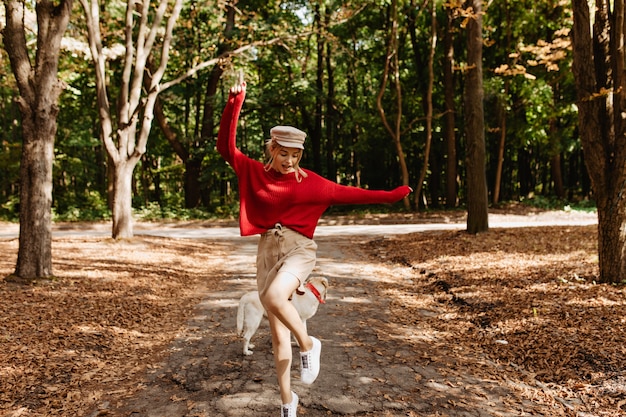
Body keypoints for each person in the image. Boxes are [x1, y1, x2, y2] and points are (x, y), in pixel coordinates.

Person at [217, 79, 411, 417]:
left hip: (299, 251)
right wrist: (235, 102)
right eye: (284, 153)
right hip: (267, 254)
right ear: (272, 150)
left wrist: (392, 195)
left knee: (275, 299)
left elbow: (354, 193)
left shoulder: (314, 185)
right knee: (278, 337)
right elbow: (225, 148)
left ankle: (309, 343)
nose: (290, 160)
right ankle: (287, 403)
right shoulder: (252, 172)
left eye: (296, 155)